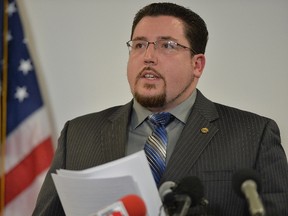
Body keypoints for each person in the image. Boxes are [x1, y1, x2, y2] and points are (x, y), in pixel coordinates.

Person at [33, 2, 288, 215]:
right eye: (140, 44)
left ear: (197, 64)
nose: (148, 57)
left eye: (167, 45)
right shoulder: (78, 134)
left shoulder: (254, 135)